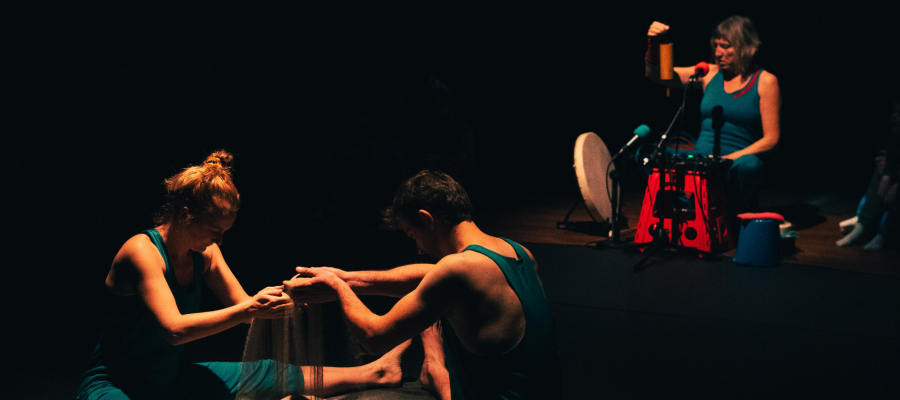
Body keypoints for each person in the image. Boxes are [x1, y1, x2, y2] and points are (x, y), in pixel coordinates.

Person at [77, 151, 408, 400]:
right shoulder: (141, 252)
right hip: (116, 384)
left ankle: (374, 372)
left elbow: (246, 311)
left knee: (269, 373)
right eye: (213, 230)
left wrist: (286, 299)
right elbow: (173, 330)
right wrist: (250, 309)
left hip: (170, 378)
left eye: (225, 232)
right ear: (185, 213)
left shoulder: (205, 253)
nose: (220, 241)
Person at [284, 170, 562, 400]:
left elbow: (373, 338)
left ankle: (435, 370)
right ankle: (436, 371)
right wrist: (349, 279)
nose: (417, 248)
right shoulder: (518, 253)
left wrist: (337, 287)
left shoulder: (457, 269)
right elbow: (425, 275)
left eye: (412, 234)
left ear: (427, 219)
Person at [645, 16, 781, 213]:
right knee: (648, 155)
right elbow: (656, 75)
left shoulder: (765, 81)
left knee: (750, 166)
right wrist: (654, 44)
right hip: (702, 156)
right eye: (716, 46)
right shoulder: (708, 74)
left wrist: (729, 158)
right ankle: (686, 208)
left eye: (725, 46)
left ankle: (724, 213)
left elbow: (772, 140)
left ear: (746, 47)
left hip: (736, 160)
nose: (718, 53)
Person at [837, 98, 900, 250]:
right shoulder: (894, 140)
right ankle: (863, 223)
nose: (894, 117)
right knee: (880, 172)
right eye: (894, 113)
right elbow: (891, 166)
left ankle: (883, 235)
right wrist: (887, 176)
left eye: (899, 114)